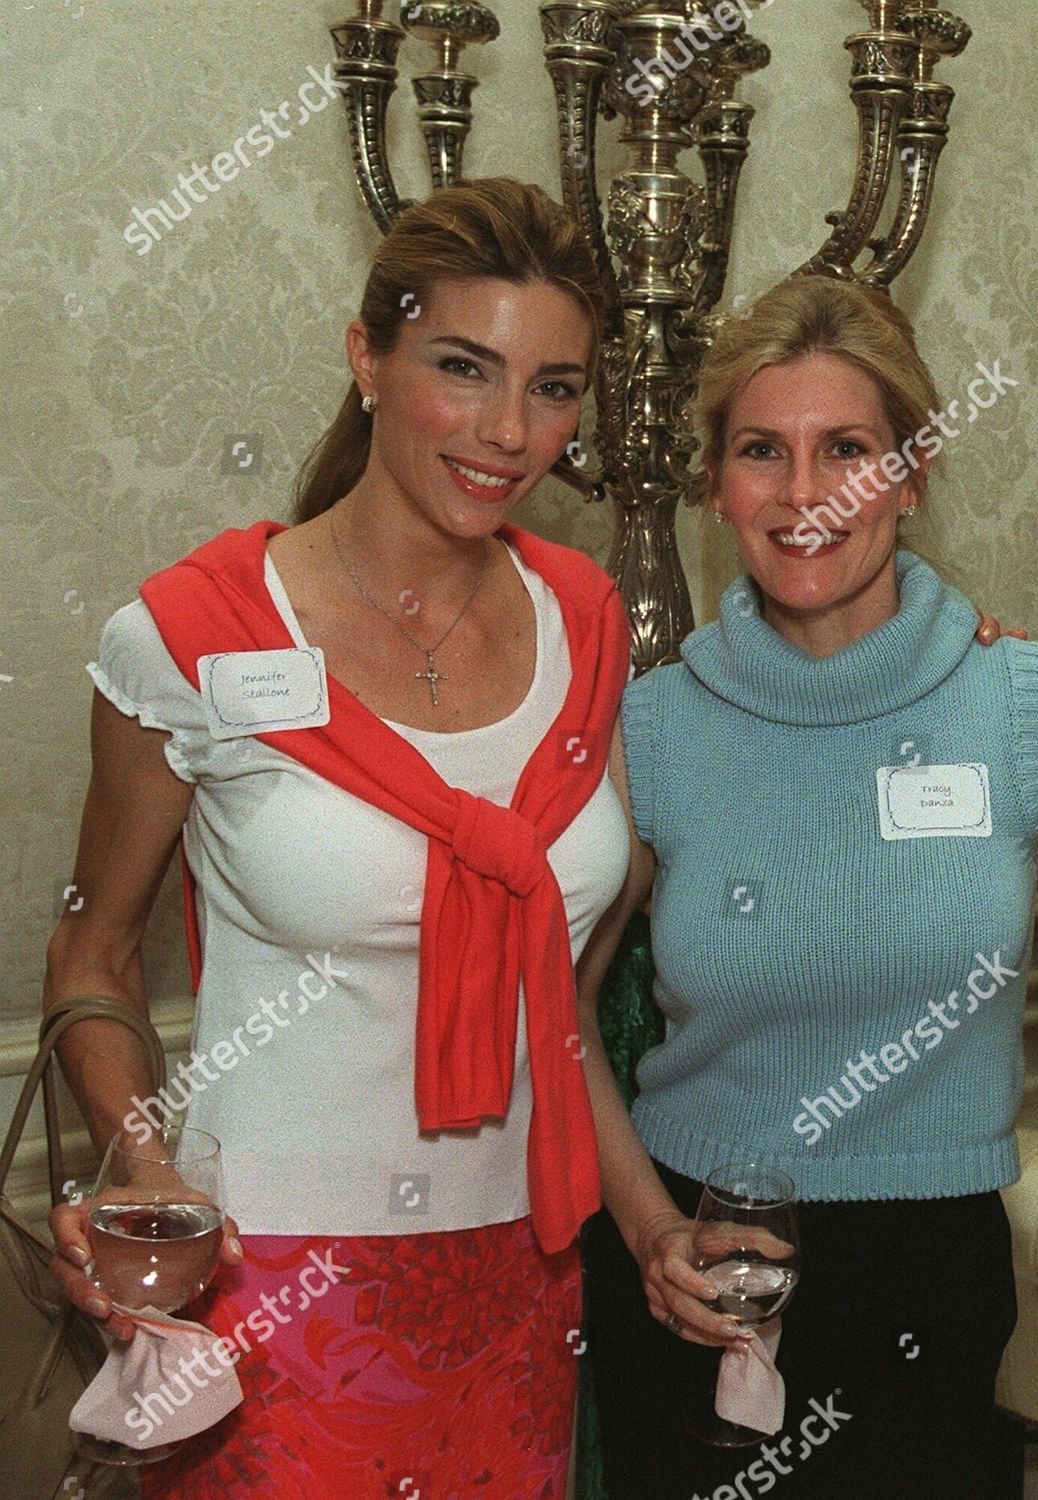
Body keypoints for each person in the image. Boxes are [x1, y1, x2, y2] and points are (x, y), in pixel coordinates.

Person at [44, 177, 633, 1498]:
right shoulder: (190, 636)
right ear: (367, 359)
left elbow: (571, 999)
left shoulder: (587, 619)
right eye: (462, 368)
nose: (508, 431)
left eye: (552, 388)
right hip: (269, 1278)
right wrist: (141, 1162)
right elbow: (92, 951)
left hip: (523, 1269)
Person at [572, 275, 1038, 1499]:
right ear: (714, 484)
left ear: (911, 474)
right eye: (760, 451)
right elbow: (551, 1008)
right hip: (697, 1262)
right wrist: (647, 1228)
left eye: (847, 448)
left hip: (933, 1276)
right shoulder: (652, 727)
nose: (805, 494)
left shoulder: (1029, 709)